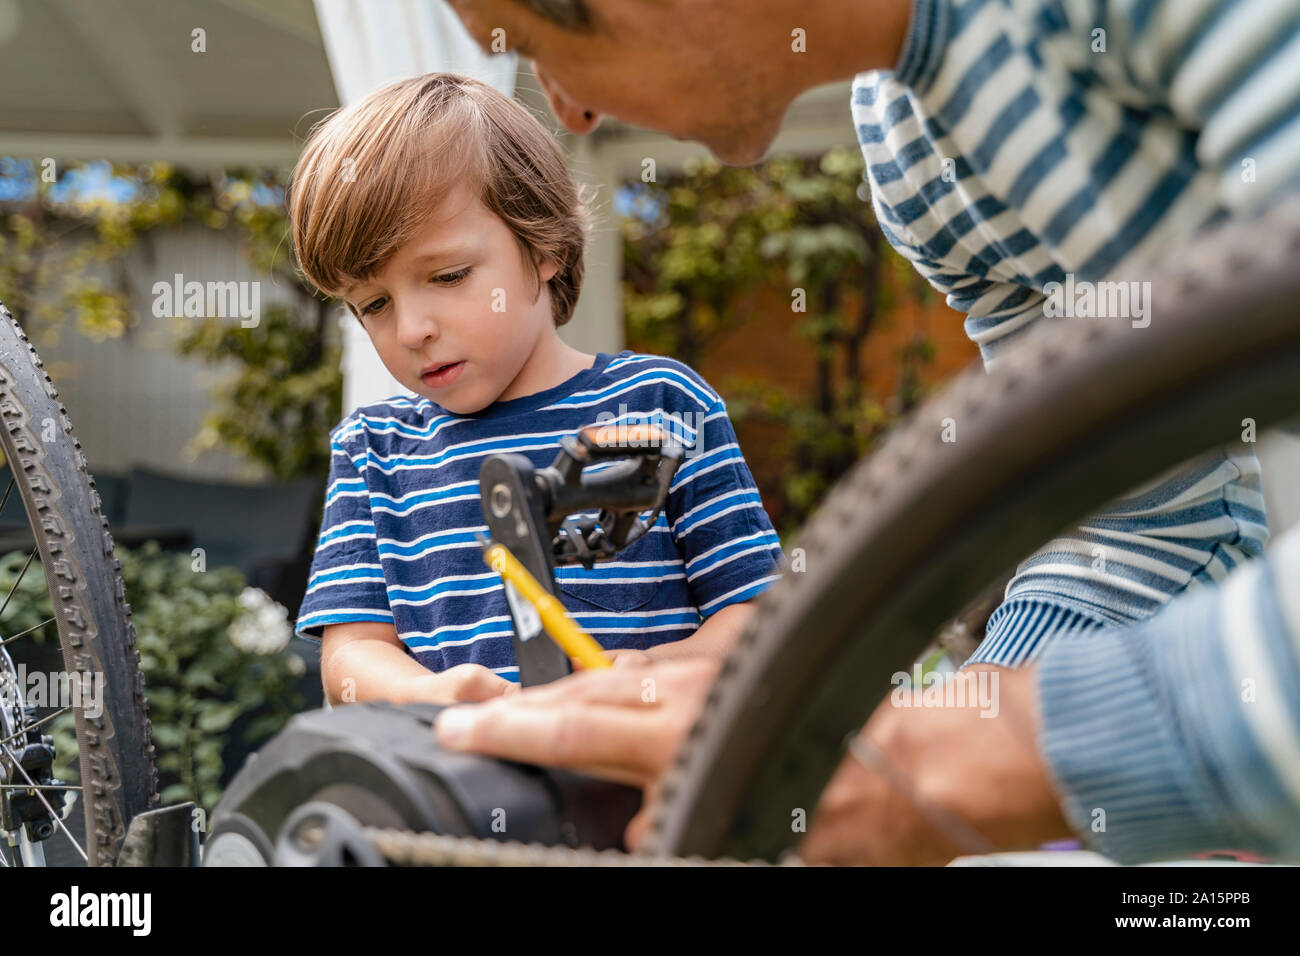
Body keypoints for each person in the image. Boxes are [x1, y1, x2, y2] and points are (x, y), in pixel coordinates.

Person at [429, 0, 1300, 863]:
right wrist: (948, 728)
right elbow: (1149, 514)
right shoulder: (908, 146)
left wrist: (981, 758)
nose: (571, 108)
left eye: (551, 44)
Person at [288, 74, 786, 705]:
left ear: (544, 244)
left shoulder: (661, 405)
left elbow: (755, 618)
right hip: (462, 788)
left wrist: (648, 673)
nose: (411, 330)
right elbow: (352, 656)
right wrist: (438, 694)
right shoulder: (373, 449)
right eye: (374, 303)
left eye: (447, 276)